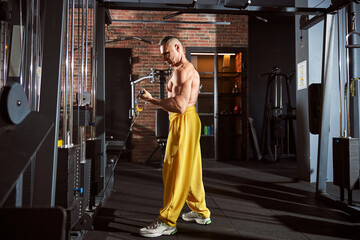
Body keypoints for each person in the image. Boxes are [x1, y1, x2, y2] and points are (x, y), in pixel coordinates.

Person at [139, 36, 211, 238]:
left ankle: (167, 221)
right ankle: (201, 212)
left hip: (183, 120)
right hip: (185, 120)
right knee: (191, 168)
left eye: (166, 54)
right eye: (162, 55)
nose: (164, 59)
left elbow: (179, 106)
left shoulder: (183, 71)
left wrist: (152, 100)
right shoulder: (178, 70)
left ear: (178, 47)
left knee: (174, 170)